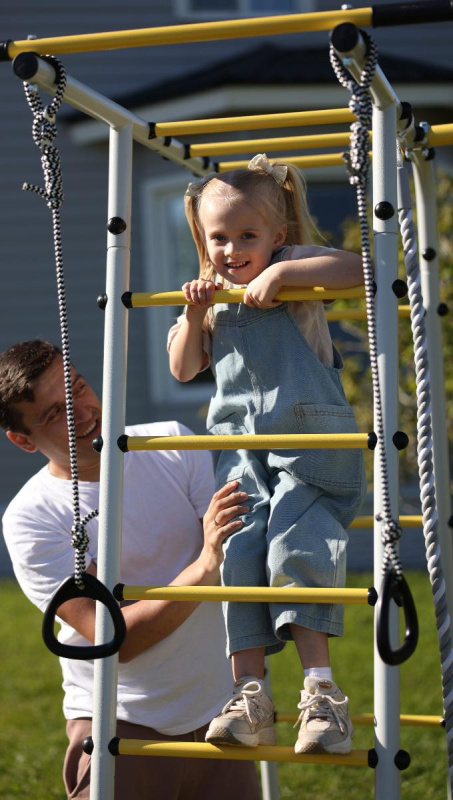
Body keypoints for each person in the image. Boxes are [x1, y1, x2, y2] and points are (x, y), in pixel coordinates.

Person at [0, 339, 261, 800]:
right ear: (23, 440)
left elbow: (240, 553)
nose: (82, 412)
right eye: (53, 413)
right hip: (120, 723)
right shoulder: (33, 517)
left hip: (218, 712)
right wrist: (206, 565)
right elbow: (117, 638)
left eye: (77, 388)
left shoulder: (171, 442)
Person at [168, 154, 367, 755]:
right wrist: (195, 311)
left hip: (310, 446)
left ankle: (322, 694)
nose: (232, 250)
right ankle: (249, 695)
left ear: (277, 235)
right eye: (218, 238)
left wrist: (283, 274)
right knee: (239, 550)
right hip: (241, 452)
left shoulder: (295, 269)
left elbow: (359, 268)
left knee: (294, 545)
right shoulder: (209, 295)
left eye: (247, 236)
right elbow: (183, 368)